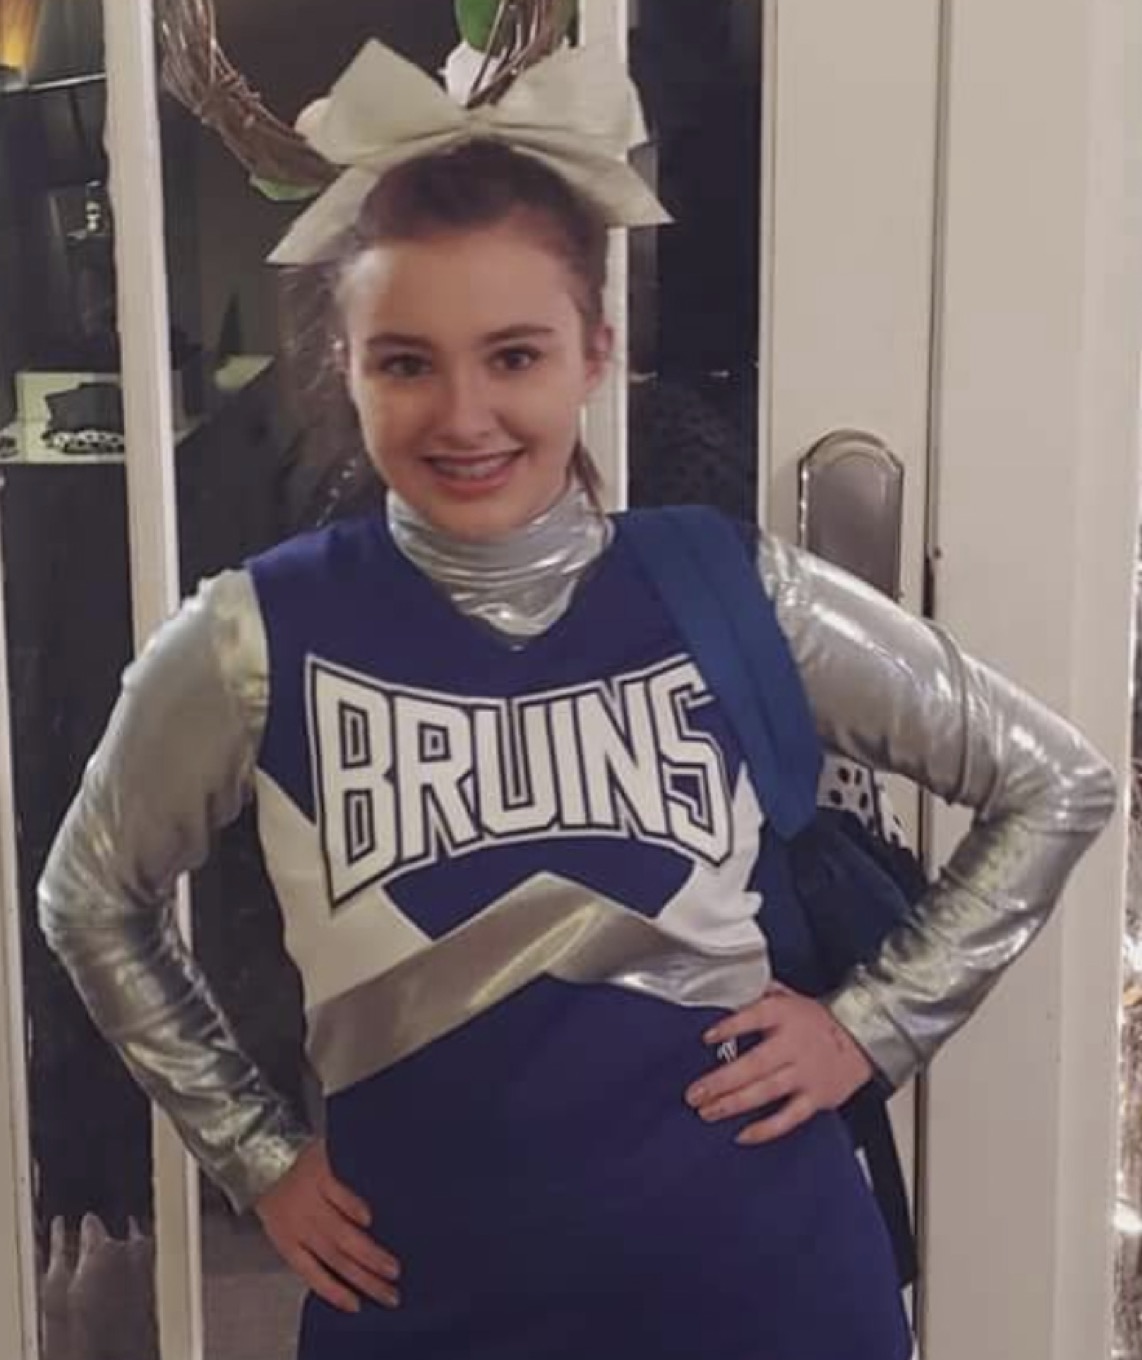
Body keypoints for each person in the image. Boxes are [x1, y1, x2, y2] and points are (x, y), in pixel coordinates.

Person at [38, 39, 1116, 1360]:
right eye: (407, 363)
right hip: (422, 1295)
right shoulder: (255, 634)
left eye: (514, 355)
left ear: (592, 352)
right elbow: (90, 894)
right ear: (344, 365)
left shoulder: (729, 586)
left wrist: (873, 1028)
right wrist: (253, 1149)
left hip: (763, 1280)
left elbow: (1053, 780)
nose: (465, 414)